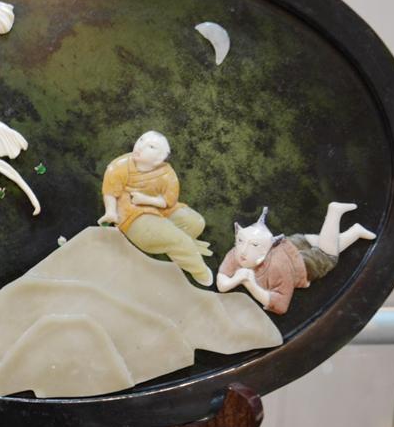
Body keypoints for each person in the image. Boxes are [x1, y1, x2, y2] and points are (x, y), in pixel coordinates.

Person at [216, 203, 376, 314]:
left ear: (267, 248)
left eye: (254, 245)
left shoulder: (277, 269)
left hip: (301, 265)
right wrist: (235, 280)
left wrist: (250, 284)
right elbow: (222, 281)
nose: (243, 251)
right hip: (291, 243)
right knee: (326, 242)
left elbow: (281, 305)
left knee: (328, 256)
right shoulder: (237, 253)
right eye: (240, 241)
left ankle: (334, 213)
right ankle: (355, 232)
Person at [98, 131, 213, 286]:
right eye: (141, 140)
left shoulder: (166, 173)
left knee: (196, 222)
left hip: (158, 208)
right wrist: (111, 212)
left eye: (151, 146)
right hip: (133, 214)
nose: (140, 146)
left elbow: (169, 201)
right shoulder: (119, 166)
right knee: (177, 239)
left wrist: (146, 200)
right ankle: (199, 269)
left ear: (160, 159)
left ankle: (178, 245)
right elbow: (111, 192)